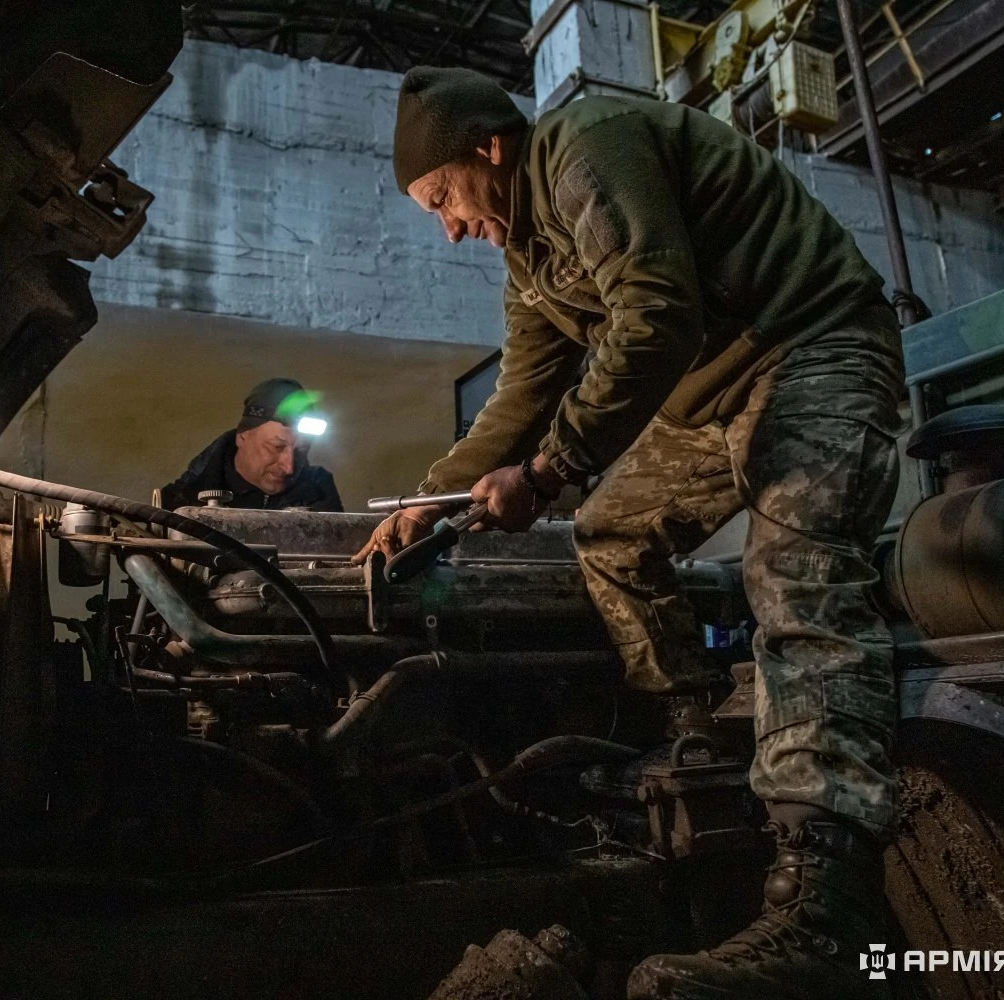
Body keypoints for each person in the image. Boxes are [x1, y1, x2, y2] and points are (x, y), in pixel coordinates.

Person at [355, 66, 905, 999]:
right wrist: (432, 498)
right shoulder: (529, 255)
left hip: (811, 342)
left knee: (796, 573)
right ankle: (697, 748)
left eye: (443, 198)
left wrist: (551, 472)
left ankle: (828, 906)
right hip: (715, 396)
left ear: (488, 146)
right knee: (610, 534)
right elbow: (524, 393)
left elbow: (656, 314)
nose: (448, 227)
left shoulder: (585, 149)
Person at [160, 378, 342, 512]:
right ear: (242, 437)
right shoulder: (179, 502)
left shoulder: (320, 493)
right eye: (276, 447)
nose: (289, 467)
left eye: (302, 451)